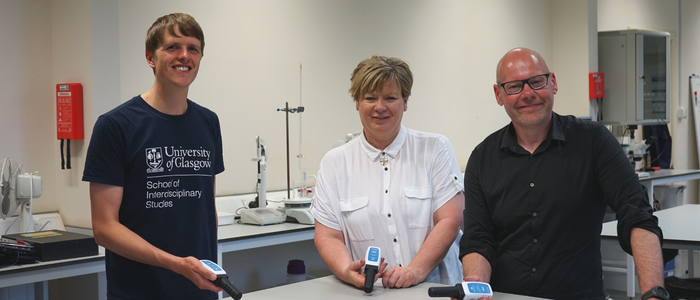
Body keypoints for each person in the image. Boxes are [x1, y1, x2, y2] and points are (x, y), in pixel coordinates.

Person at [459, 47, 666, 300]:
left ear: (553, 83)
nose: (528, 94)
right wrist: (476, 284)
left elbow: (636, 215)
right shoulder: (482, 158)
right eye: (514, 86)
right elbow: (478, 239)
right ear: (498, 94)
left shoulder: (593, 141)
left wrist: (653, 293)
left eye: (536, 82)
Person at [83, 13, 224, 300]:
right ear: (150, 57)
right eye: (172, 47)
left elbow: (206, 206)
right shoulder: (115, 126)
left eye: (193, 48)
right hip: (140, 291)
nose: (184, 56)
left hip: (200, 289)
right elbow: (104, 228)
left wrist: (204, 270)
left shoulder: (208, 122)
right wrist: (175, 264)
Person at [310, 55, 465, 290]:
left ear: (405, 101)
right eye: (370, 98)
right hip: (374, 292)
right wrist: (346, 270)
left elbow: (449, 220)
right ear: (357, 102)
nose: (379, 107)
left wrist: (414, 271)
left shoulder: (435, 149)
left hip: (435, 289)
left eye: (390, 98)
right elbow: (328, 236)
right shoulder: (335, 162)